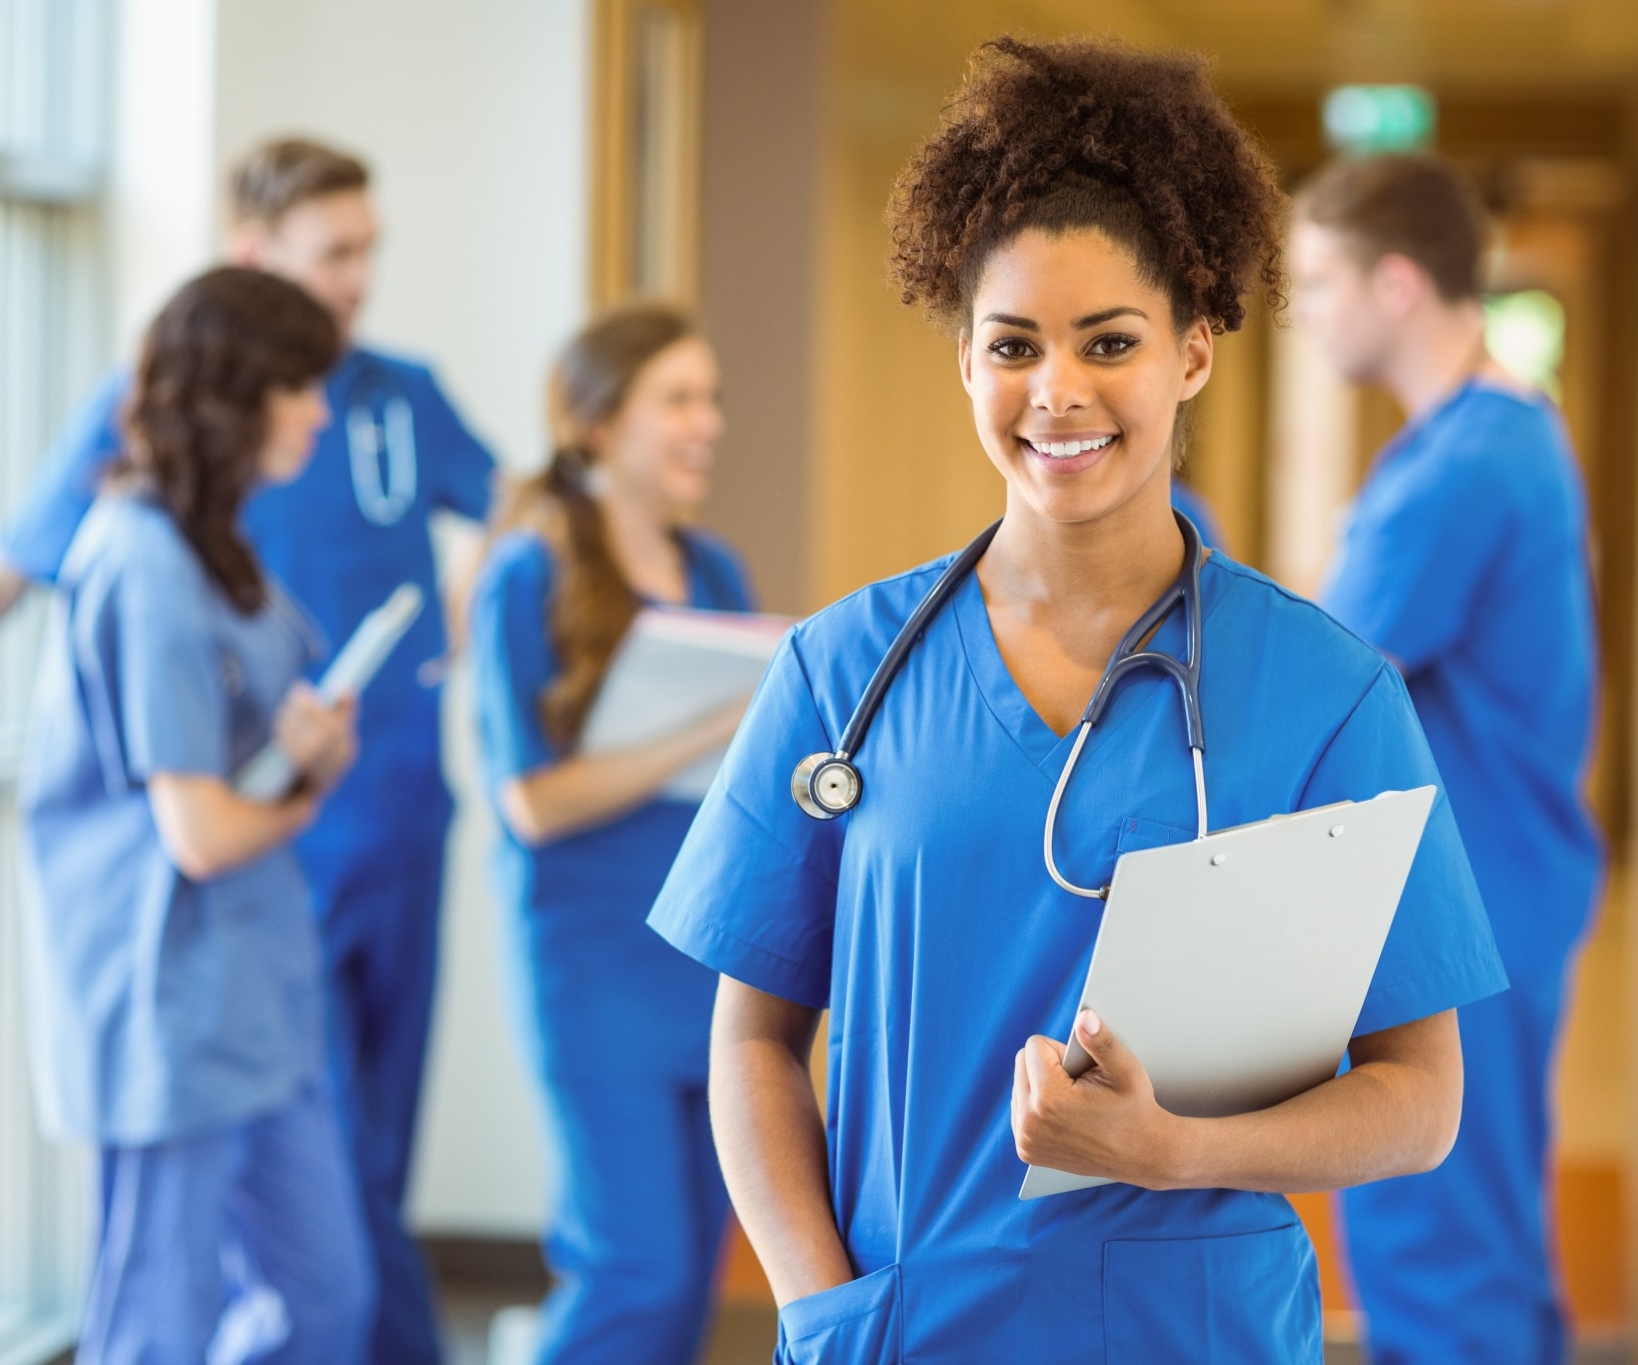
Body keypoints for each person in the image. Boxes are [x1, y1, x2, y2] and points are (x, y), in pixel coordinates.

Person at [646, 37, 1509, 1363]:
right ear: (967, 365)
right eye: (1013, 345)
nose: (1058, 390)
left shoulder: (1330, 698)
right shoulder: (842, 671)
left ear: (1195, 354)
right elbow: (753, 1038)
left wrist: (1180, 1149)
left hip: (1192, 1330)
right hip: (905, 1327)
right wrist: (821, 1303)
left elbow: (1420, 1099)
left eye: (1110, 340)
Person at [0, 137, 493, 1364]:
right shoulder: (142, 538)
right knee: (168, 1298)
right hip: (191, 937)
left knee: (333, 1267)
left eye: (371, 252)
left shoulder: (308, 463)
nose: (360, 285)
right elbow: (13, 588)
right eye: (336, 254)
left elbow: (503, 515)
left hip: (329, 885)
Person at [20, 266, 368, 1362]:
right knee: (153, 1325)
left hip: (254, 995)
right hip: (164, 997)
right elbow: (203, 834)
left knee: (323, 1299)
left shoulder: (222, 545)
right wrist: (304, 790)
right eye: (301, 388)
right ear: (235, 394)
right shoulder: (142, 564)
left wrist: (299, 754)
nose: (319, 412)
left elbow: (235, 768)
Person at [1293, 154, 1603, 1365]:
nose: (1304, 310)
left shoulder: (1464, 465)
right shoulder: (1493, 434)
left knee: (1436, 1249)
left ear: (1399, 285)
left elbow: (1322, 680)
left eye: (1318, 282)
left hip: (1464, 906)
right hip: (1504, 888)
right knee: (1488, 1239)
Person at [468, 304, 756, 1364]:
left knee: (693, 1270)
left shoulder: (715, 572)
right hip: (592, 969)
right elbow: (530, 803)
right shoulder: (526, 577)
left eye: (710, 398)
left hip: (707, 957)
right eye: (677, 399)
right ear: (597, 426)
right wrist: (710, 728)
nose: (707, 422)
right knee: (633, 1264)